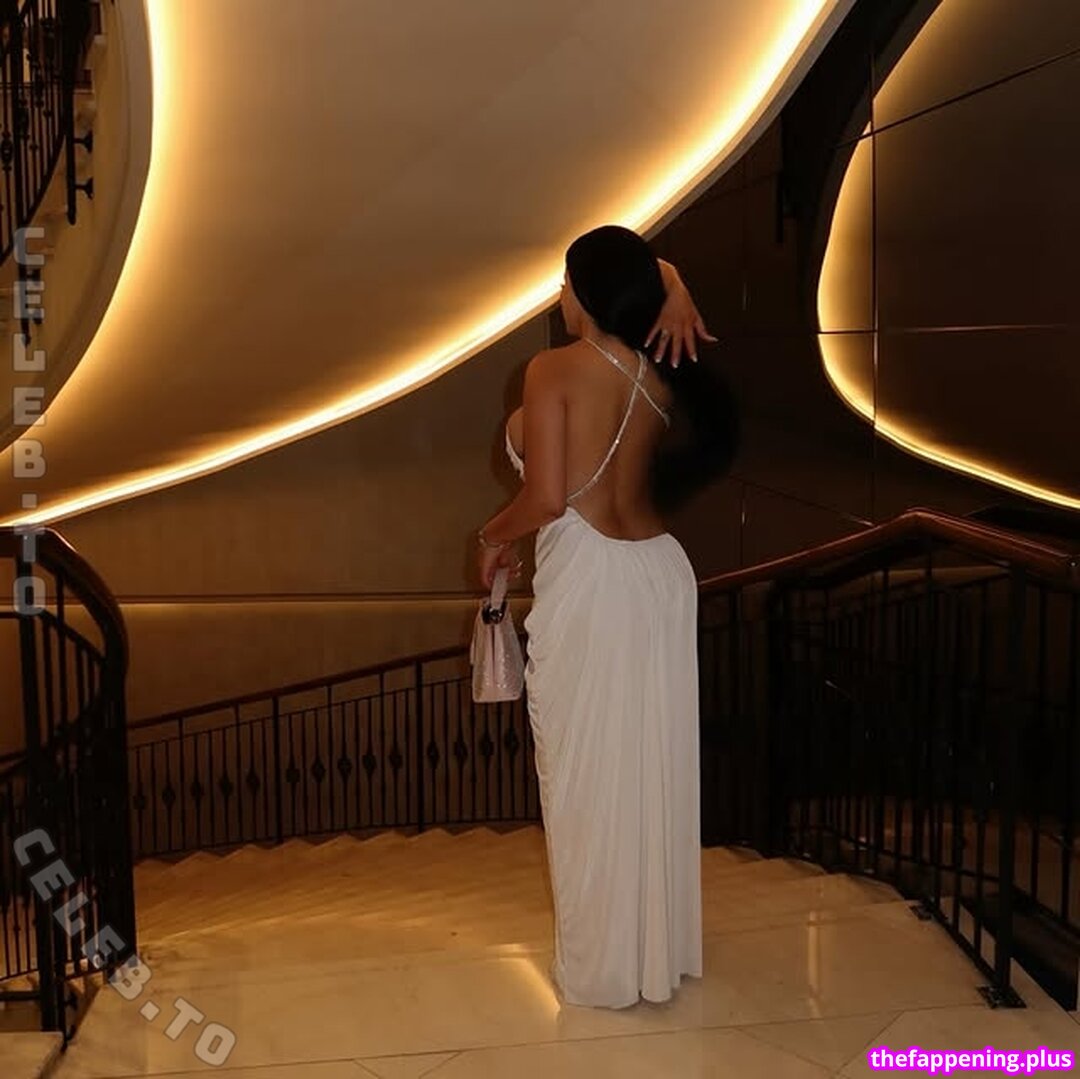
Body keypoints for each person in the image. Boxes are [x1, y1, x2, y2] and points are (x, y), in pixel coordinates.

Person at [476, 226, 736, 1008]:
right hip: (658, 573)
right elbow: (645, 271)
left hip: (591, 577)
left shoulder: (553, 368)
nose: (558, 295)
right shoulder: (661, 366)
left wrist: (489, 538)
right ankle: (656, 953)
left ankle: (604, 967)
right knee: (651, 765)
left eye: (565, 281)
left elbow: (547, 497)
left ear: (587, 291)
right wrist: (674, 285)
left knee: (586, 776)